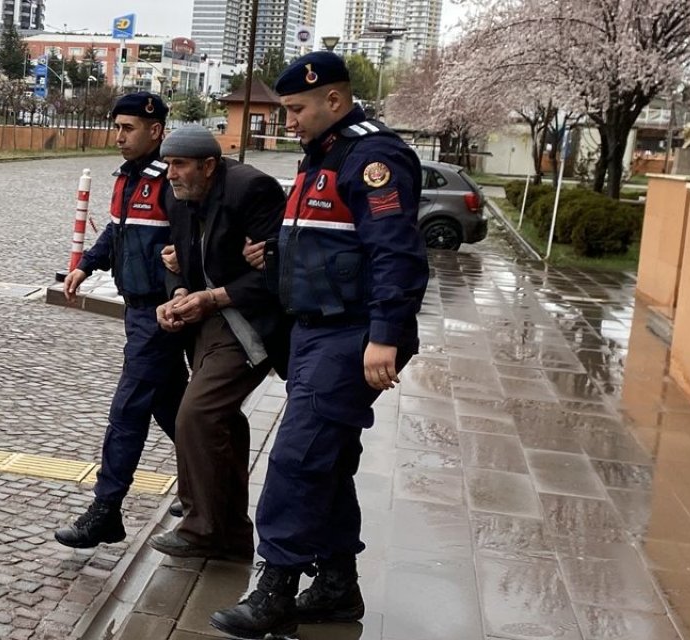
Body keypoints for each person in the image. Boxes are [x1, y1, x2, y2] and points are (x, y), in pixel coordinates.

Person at [210, 52, 429, 638]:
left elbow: (396, 254)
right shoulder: (324, 156)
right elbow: (335, 243)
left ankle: (276, 587)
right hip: (316, 331)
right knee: (327, 462)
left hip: (351, 332)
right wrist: (274, 254)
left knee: (298, 458)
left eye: (296, 109)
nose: (288, 121)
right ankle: (336, 586)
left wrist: (385, 335)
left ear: (334, 101)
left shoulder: (371, 156)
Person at [146, 126, 289, 561]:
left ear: (209, 166)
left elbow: (275, 271)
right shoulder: (175, 194)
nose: (171, 174)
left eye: (180, 165)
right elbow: (175, 256)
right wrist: (175, 296)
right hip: (206, 321)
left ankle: (201, 526)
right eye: (168, 164)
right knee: (222, 420)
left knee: (197, 413)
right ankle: (231, 533)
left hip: (250, 322)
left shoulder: (253, 190)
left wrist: (211, 297)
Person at [54, 92, 188, 549]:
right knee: (173, 406)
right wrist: (86, 264)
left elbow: (195, 237)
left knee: (129, 409)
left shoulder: (170, 179)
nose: (119, 136)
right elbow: (117, 229)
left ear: (156, 131)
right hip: (137, 309)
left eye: (128, 129)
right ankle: (204, 487)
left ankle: (106, 510)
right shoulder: (127, 179)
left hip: (161, 313)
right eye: (117, 127)